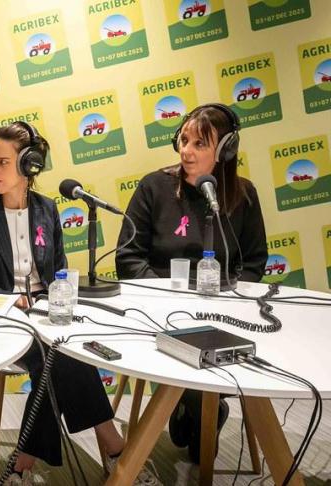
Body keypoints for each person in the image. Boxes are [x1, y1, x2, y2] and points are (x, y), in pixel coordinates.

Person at [0, 122, 161, 485]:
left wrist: (57, 300)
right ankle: (115, 449)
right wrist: (10, 300)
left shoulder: (48, 210)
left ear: (29, 165)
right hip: (4, 321)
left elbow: (58, 271)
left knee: (64, 351)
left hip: (48, 316)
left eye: (3, 162)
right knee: (61, 356)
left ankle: (23, 463)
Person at [115, 103, 268, 463]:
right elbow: (128, 256)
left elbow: (254, 262)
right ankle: (200, 406)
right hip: (159, 308)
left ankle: (197, 405)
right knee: (199, 435)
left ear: (226, 149)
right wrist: (164, 298)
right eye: (183, 140)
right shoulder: (154, 186)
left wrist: (228, 304)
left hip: (220, 314)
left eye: (200, 143)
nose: (187, 151)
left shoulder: (243, 195)